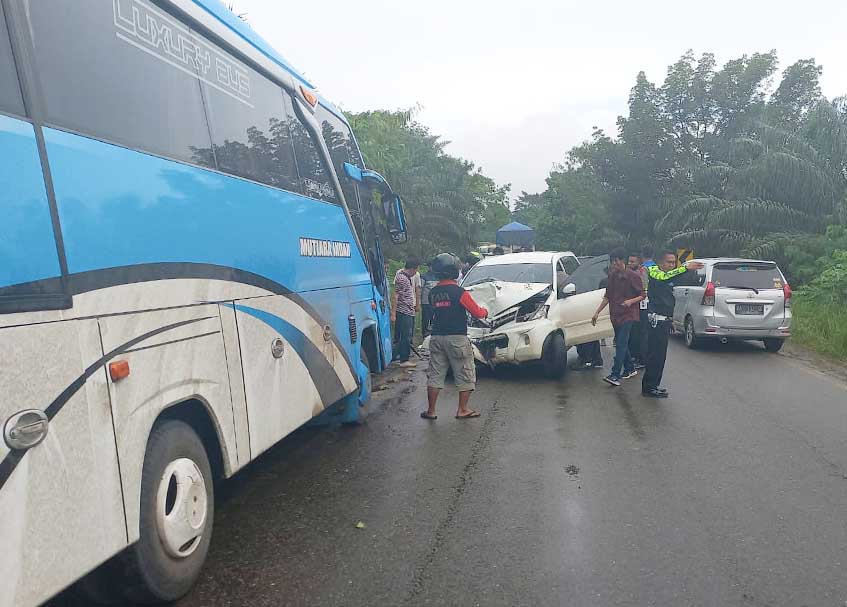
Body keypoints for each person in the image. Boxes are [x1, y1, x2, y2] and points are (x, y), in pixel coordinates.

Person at [422, 253, 488, 420]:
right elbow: (477, 312)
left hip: (436, 337)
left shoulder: (433, 293)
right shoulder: (459, 292)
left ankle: (431, 411)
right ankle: (463, 409)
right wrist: (486, 311)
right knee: (465, 372)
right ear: (453, 271)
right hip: (457, 338)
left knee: (435, 374)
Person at [641, 251, 704, 398]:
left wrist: (671, 320)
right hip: (656, 321)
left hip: (664, 320)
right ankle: (649, 387)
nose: (671, 265)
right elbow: (664, 277)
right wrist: (685, 267)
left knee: (660, 356)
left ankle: (654, 385)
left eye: (673, 262)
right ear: (660, 262)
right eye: (669, 262)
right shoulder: (655, 272)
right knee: (654, 356)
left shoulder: (668, 275)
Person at [592, 248, 645, 386]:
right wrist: (597, 312)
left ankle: (615, 374)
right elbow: (607, 296)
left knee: (620, 344)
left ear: (623, 261)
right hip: (615, 315)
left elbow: (642, 295)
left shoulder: (633, 276)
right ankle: (629, 368)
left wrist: (630, 302)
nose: (614, 264)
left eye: (616, 261)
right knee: (622, 344)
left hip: (629, 314)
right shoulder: (612, 276)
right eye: (612, 261)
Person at [391, 258, 420, 368]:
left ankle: (397, 356)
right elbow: (396, 295)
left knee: (406, 336)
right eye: (416, 270)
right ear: (412, 268)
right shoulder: (402, 278)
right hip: (404, 311)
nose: (415, 273)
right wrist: (393, 313)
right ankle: (403, 359)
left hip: (408, 311)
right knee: (405, 336)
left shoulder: (405, 278)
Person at [626, 253, 646, 369]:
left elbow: (643, 292)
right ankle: (635, 356)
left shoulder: (640, 273)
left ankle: (641, 359)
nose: (630, 264)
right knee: (634, 333)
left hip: (641, 307)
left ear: (638, 262)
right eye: (629, 261)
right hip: (635, 308)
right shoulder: (631, 274)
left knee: (640, 333)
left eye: (633, 262)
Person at [419, 262, 439, 338]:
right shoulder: (424, 276)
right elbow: (420, 289)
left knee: (434, 318)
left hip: (436, 302)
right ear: (429, 267)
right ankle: (424, 333)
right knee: (425, 319)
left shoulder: (438, 277)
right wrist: (419, 301)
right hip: (426, 302)